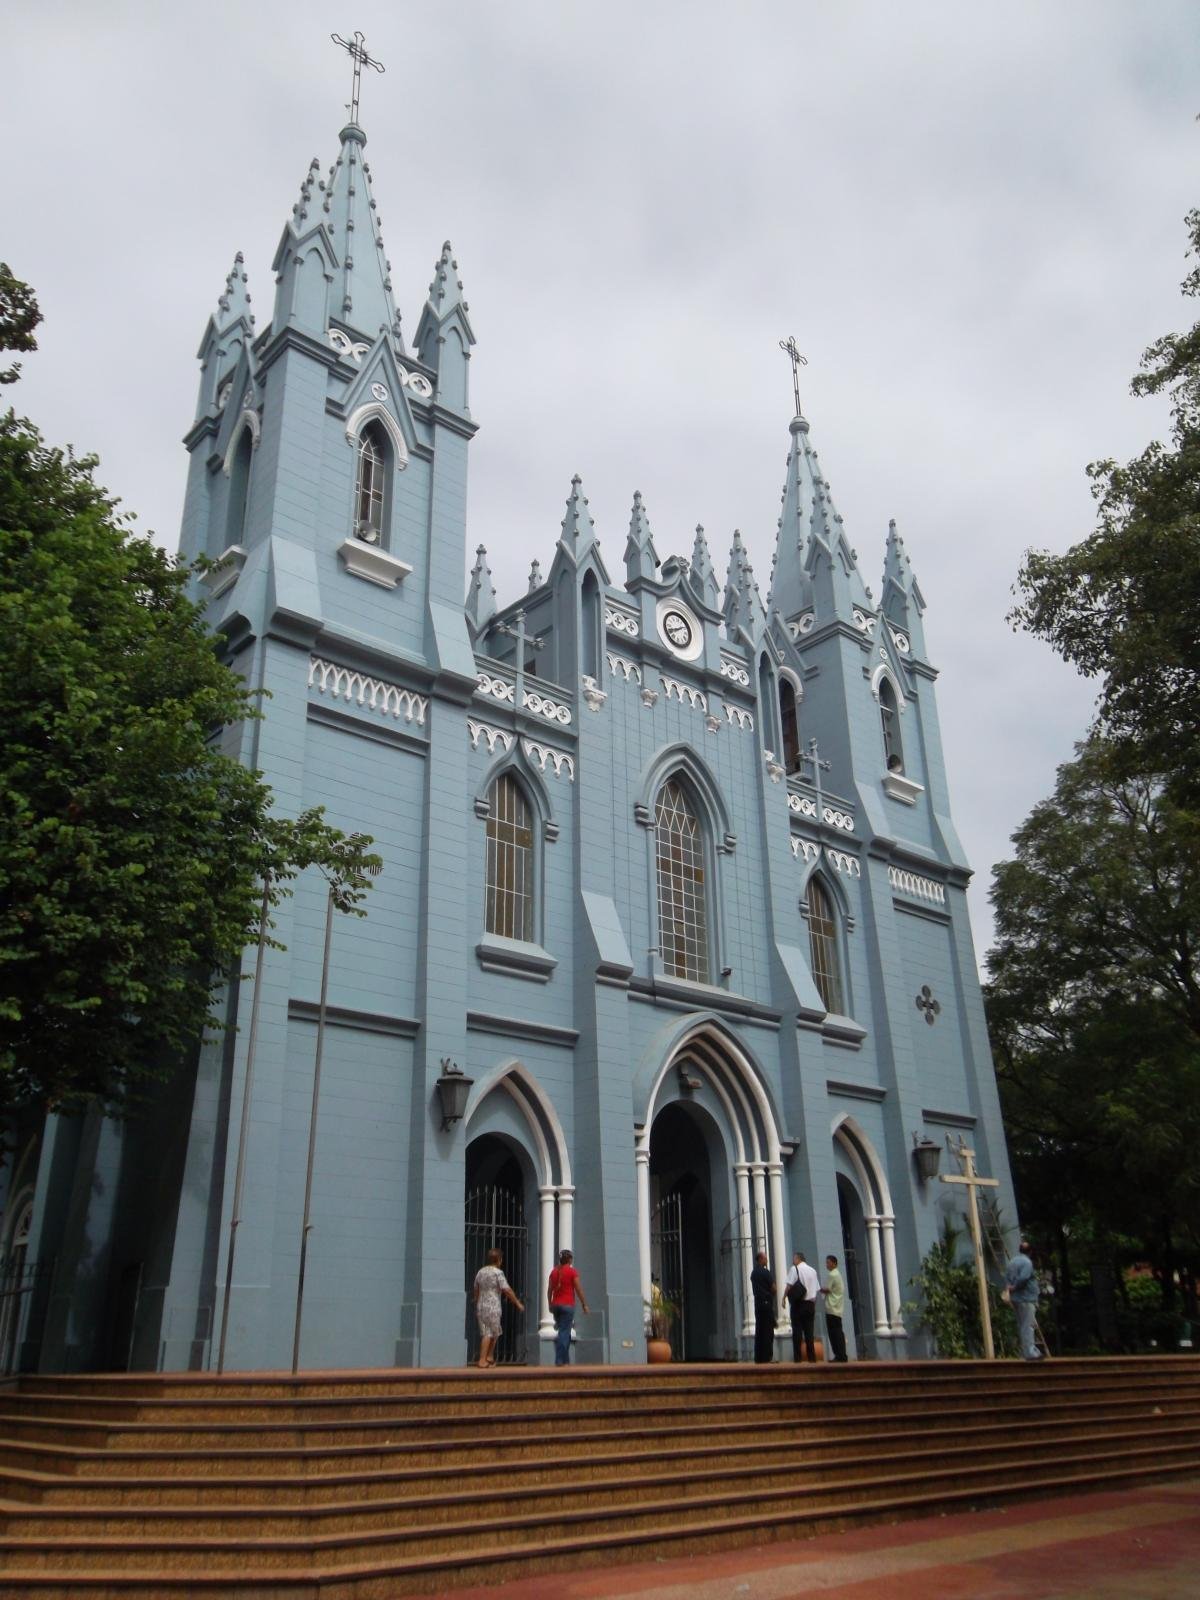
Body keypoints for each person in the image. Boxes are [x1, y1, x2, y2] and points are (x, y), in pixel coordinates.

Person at [472, 1247, 524, 1369]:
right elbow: (507, 1289)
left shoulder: (481, 1272)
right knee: (489, 1333)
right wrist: (517, 1302)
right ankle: (482, 1360)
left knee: (493, 1332)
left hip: (481, 1305)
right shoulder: (498, 1273)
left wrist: (476, 1300)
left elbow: (476, 1288)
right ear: (499, 1260)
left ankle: (489, 1357)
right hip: (493, 1306)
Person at [547, 1248, 589, 1366]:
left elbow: (549, 1290)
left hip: (556, 1305)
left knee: (565, 1332)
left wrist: (550, 1303)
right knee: (564, 1333)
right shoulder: (572, 1272)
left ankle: (566, 1360)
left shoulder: (554, 1272)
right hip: (567, 1305)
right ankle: (560, 1360)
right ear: (569, 1259)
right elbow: (578, 1289)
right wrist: (584, 1304)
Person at [1004, 1238, 1042, 1361]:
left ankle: (1024, 1352)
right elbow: (1024, 1278)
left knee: (1021, 1325)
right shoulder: (1027, 1263)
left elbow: (1008, 1278)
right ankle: (1030, 1352)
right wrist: (1015, 1287)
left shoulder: (1012, 1262)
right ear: (1030, 1251)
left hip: (1016, 1299)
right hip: (1026, 1298)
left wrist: (1010, 1288)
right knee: (1028, 1325)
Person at [785, 1250, 821, 1362]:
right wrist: (813, 1304)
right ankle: (812, 1357)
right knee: (809, 1332)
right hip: (810, 1304)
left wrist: (783, 1298)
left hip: (798, 1304)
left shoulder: (794, 1269)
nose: (793, 1261)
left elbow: (789, 1286)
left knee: (797, 1332)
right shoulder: (813, 1271)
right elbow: (816, 1290)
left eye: (794, 1259)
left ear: (798, 1259)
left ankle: (798, 1357)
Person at [821, 1253, 848, 1362]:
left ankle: (839, 1355)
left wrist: (819, 1288)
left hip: (832, 1307)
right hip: (837, 1308)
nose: (826, 1264)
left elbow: (827, 1289)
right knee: (838, 1332)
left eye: (828, 1262)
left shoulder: (832, 1274)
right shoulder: (838, 1274)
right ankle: (842, 1355)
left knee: (834, 1333)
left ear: (834, 1263)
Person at [750, 1250, 776, 1364]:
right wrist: (771, 1295)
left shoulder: (753, 1273)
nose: (766, 1260)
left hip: (758, 1304)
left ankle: (758, 1357)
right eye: (765, 1258)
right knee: (768, 1331)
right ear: (760, 1259)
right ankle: (767, 1357)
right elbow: (774, 1288)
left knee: (759, 1330)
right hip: (766, 1303)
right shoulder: (766, 1272)